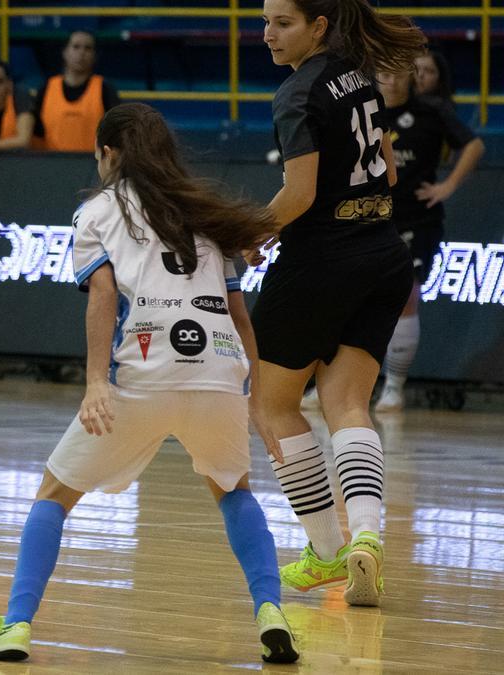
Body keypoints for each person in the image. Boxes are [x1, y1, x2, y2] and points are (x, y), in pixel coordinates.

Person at [0, 103, 296, 664]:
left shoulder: (97, 211)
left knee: (53, 496)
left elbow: (101, 298)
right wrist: (257, 399)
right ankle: (271, 609)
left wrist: (96, 381)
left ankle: (16, 625)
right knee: (234, 491)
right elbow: (240, 315)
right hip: (218, 376)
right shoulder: (204, 210)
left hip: (141, 377)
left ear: (109, 154)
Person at [255, 0, 425, 607]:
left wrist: (250, 233)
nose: (267, 33)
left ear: (318, 26)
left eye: (282, 23)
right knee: (348, 403)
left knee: (271, 406)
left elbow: (297, 196)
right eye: (266, 20)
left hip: (322, 260)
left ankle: (327, 550)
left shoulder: (297, 94)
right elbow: (392, 178)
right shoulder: (358, 73)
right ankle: (369, 541)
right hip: (383, 253)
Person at [374, 66, 483, 411]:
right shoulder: (365, 110)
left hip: (417, 219)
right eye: (382, 73)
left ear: (410, 77)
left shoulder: (431, 111)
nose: (389, 80)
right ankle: (342, 384)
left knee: (407, 294)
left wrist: (447, 186)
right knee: (353, 301)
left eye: (396, 74)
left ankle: (394, 386)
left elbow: (474, 145)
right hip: (371, 218)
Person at [32, 31, 121, 153]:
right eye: (76, 47)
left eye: (87, 48)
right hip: (51, 164)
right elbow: (35, 132)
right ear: (65, 52)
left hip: (93, 166)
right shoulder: (46, 88)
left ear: (94, 55)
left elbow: (117, 133)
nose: (81, 53)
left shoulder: (105, 89)